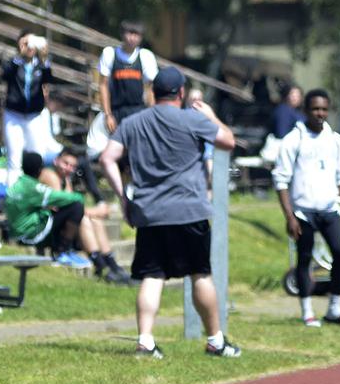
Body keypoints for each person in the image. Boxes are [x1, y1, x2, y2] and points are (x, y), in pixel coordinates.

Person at [99, 67, 241, 359]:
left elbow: (107, 158)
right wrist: (211, 116)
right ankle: (215, 340)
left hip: (151, 212)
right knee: (200, 273)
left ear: (153, 92)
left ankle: (145, 341)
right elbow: (228, 141)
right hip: (189, 210)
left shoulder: (133, 122)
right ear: (181, 93)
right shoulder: (192, 119)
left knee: (153, 276)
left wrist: (124, 197)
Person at [272, 88, 340, 328]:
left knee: (339, 255)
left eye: (323, 109)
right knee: (305, 259)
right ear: (305, 111)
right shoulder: (293, 140)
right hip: (303, 211)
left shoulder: (335, 140)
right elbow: (280, 180)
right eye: (314, 109)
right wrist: (289, 216)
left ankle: (334, 308)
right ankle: (307, 310)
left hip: (329, 208)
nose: (319, 113)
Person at [38, 149, 131, 283]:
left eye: (72, 166)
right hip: (47, 230)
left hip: (63, 226)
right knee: (85, 219)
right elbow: (66, 207)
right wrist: (96, 211)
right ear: (56, 160)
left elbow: (70, 206)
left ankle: (111, 264)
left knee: (95, 220)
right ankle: (101, 265)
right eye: (66, 163)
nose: (69, 168)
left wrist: (94, 213)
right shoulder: (50, 176)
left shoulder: (64, 179)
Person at [4, 151, 91, 268]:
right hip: (31, 235)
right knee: (76, 207)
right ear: (40, 169)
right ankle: (61, 252)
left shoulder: (17, 184)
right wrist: (79, 196)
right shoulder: (34, 188)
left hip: (17, 233)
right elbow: (67, 198)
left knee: (56, 211)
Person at [1, 30, 53, 185]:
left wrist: (44, 59)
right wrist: (19, 56)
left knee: (37, 156)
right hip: (14, 115)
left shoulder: (40, 66)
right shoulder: (13, 63)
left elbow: (49, 78)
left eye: (32, 43)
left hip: (34, 116)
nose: (29, 47)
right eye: (26, 42)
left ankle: (35, 194)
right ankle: (13, 197)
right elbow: (5, 75)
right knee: (14, 158)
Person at [98, 20, 159, 134]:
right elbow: (103, 85)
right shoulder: (109, 54)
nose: (133, 38)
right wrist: (108, 115)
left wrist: (152, 115)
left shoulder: (146, 56)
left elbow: (150, 89)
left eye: (137, 34)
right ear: (122, 34)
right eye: (130, 33)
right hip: (116, 111)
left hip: (138, 112)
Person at [185, 88, 214, 184]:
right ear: (188, 100)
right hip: (187, 154)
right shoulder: (182, 116)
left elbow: (210, 142)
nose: (196, 102)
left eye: (198, 99)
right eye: (193, 99)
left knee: (209, 167)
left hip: (205, 153)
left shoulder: (207, 118)